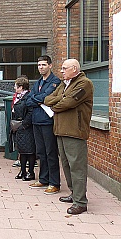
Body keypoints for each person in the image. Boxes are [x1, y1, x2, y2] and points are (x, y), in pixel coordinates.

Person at [44, 59, 94, 215]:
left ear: (74, 69)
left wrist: (58, 102)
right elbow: (47, 99)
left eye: (65, 68)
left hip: (74, 131)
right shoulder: (65, 84)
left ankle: (80, 202)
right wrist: (61, 99)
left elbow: (68, 103)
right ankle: (74, 194)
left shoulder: (84, 84)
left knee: (77, 167)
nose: (62, 71)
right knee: (66, 165)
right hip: (60, 130)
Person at [26, 55, 61, 195]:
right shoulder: (38, 82)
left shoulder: (55, 82)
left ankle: (54, 183)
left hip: (47, 121)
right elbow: (28, 100)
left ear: (50, 66)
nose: (41, 67)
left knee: (51, 152)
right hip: (36, 121)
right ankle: (43, 179)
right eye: (39, 65)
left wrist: (37, 99)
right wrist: (38, 100)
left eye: (44, 65)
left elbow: (47, 98)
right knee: (41, 152)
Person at [10, 76, 35, 180]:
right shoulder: (17, 97)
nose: (14, 88)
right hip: (18, 126)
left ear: (21, 87)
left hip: (26, 127)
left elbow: (30, 111)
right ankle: (23, 170)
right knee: (22, 150)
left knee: (29, 151)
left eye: (16, 86)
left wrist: (24, 124)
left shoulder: (28, 97)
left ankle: (31, 172)